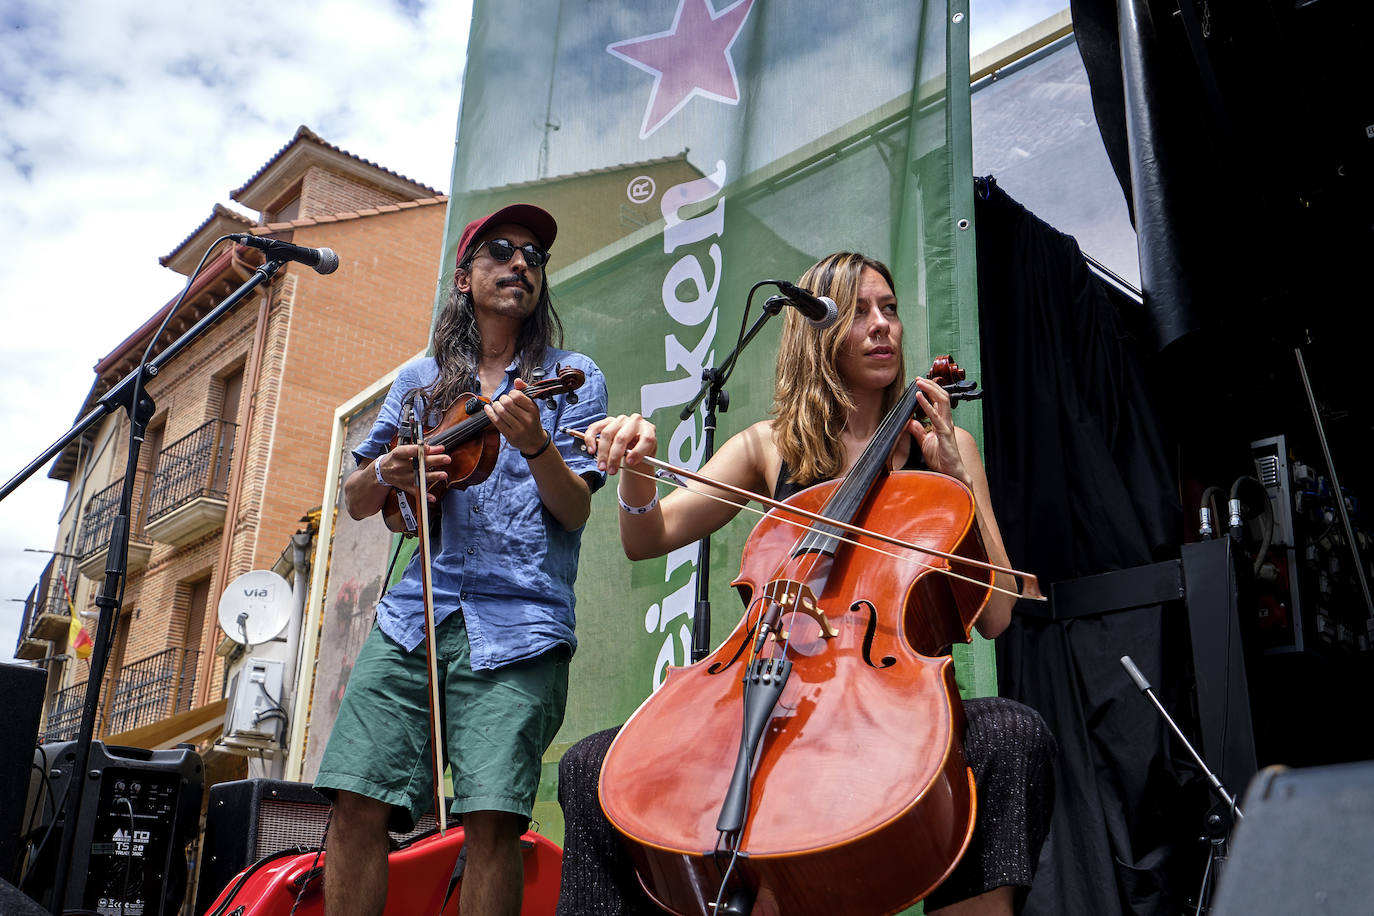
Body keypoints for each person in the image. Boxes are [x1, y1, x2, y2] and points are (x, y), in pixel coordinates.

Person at [559, 252, 1055, 915]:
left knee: (1008, 736)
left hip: (892, 707)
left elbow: (994, 615)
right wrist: (639, 472)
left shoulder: (944, 446)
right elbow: (647, 536)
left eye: (890, 309)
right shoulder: (772, 446)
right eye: (858, 313)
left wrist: (956, 481)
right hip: (777, 689)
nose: (883, 327)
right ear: (818, 334)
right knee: (592, 765)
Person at [314, 203, 608, 916]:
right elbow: (356, 499)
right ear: (465, 277)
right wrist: (390, 469)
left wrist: (536, 443)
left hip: (521, 625)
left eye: (534, 257)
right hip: (412, 618)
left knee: (492, 821)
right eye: (503, 251)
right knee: (355, 800)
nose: (520, 265)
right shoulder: (419, 379)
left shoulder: (572, 375)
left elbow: (575, 509)